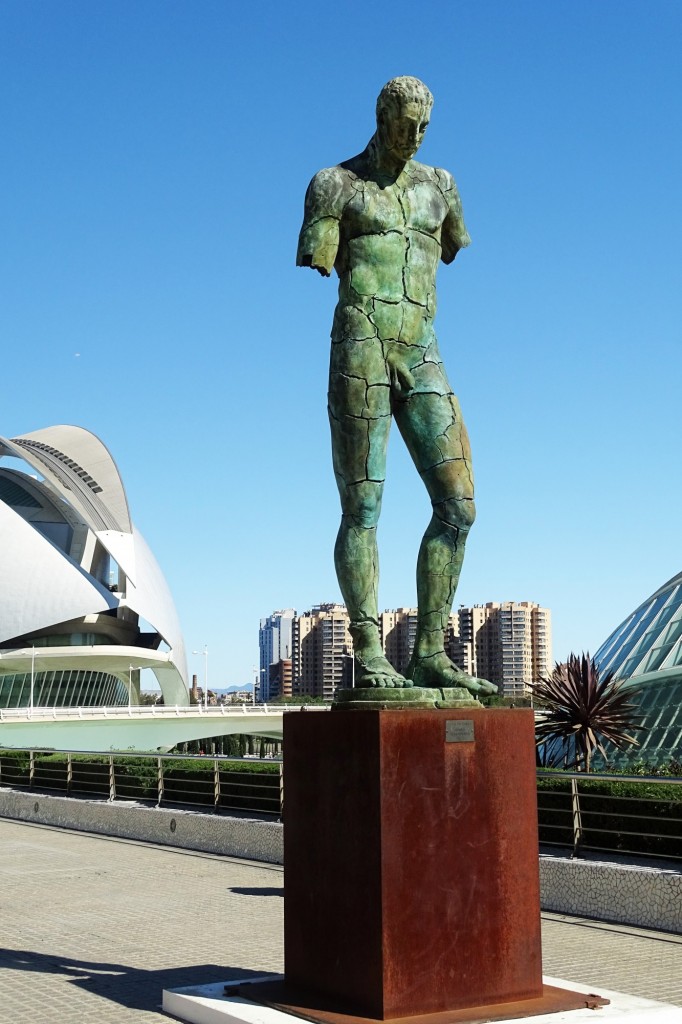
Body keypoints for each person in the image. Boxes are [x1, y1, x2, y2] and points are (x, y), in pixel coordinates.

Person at [297, 76, 496, 698]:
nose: (414, 135)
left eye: (424, 126)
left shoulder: (441, 188)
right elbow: (317, 255)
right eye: (406, 122)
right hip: (361, 343)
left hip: (423, 346)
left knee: (459, 505)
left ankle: (430, 652)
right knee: (362, 508)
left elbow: (454, 246)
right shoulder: (336, 185)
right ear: (382, 115)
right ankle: (367, 649)